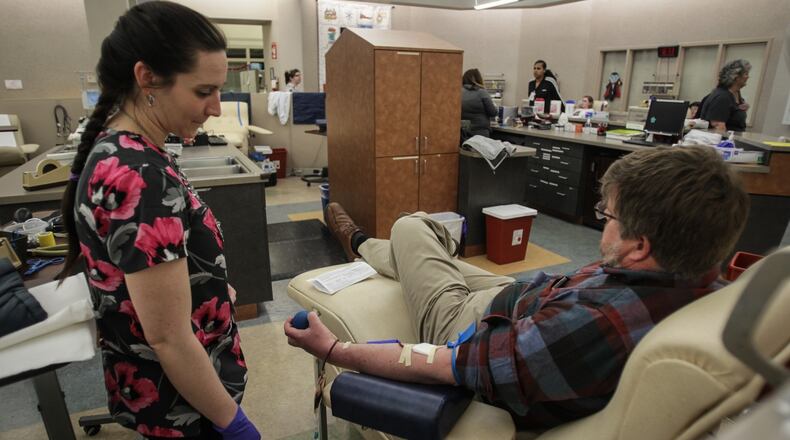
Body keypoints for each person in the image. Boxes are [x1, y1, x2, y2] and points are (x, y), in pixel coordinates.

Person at [285, 146, 749, 429]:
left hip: (470, 320)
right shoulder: (707, 279)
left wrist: (334, 351)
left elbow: (446, 363)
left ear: (640, 247)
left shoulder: (584, 329)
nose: (603, 225)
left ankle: (364, 244)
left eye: (607, 217)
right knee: (423, 250)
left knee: (411, 225)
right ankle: (389, 251)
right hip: (531, 295)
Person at [58, 2, 260, 439]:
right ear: (147, 78)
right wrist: (233, 423)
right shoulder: (141, 175)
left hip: (157, 385)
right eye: (204, 91)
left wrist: (209, 286)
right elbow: (168, 338)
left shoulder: (121, 150)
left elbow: (142, 270)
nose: (215, 107)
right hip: (182, 401)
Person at [699, 59, 751, 132]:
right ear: (735, 76)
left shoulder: (736, 94)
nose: (748, 77)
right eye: (746, 74)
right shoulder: (722, 97)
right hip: (723, 141)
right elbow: (717, 127)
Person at [461, 68, 497, 137]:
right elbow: (493, 112)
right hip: (480, 133)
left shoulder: (457, 92)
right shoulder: (481, 92)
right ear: (478, 79)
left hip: (462, 133)